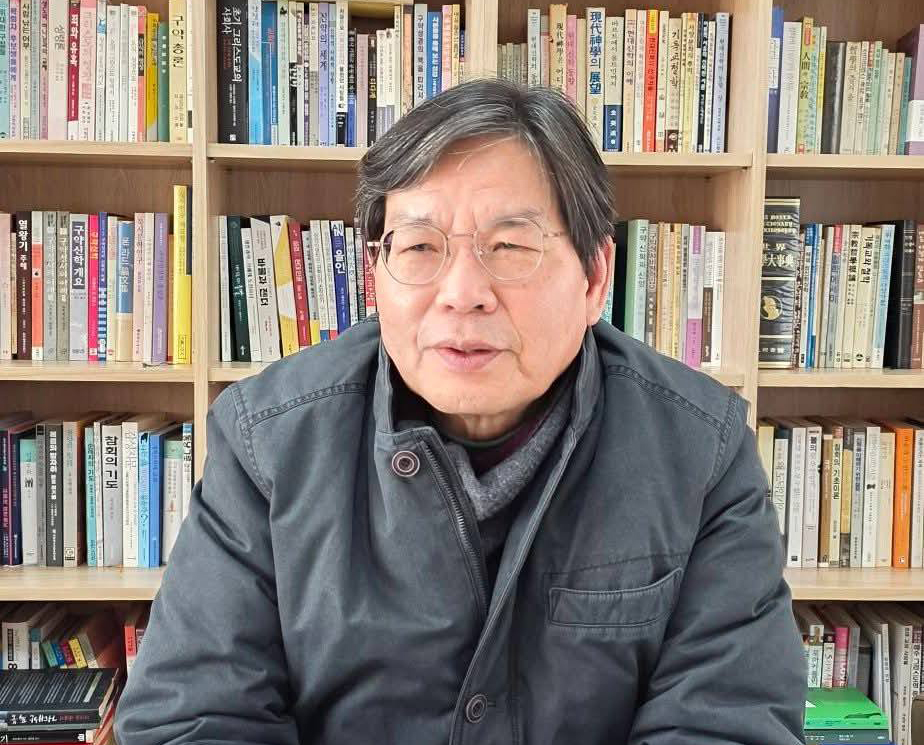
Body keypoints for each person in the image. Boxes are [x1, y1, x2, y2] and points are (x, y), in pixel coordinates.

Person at [115, 78, 806, 745]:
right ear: (375, 275)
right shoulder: (268, 441)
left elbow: (727, 723)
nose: (462, 292)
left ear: (595, 278)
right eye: (420, 247)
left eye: (510, 246)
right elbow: (193, 719)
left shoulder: (701, 451)